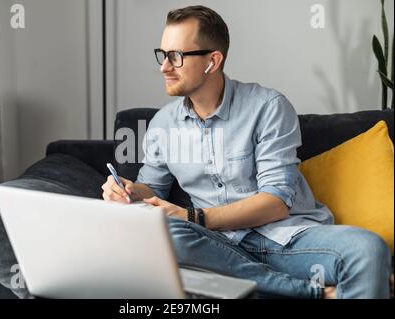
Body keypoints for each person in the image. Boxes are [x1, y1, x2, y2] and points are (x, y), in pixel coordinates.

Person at [101, 5, 393, 298]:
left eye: (176, 57)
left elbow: (276, 202)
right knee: (166, 235)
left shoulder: (268, 107)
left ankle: (262, 281)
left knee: (367, 249)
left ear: (212, 61)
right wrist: (130, 190)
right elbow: (154, 188)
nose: (164, 67)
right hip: (217, 247)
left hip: (287, 240)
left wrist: (194, 217)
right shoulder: (163, 123)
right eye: (162, 55)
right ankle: (309, 292)